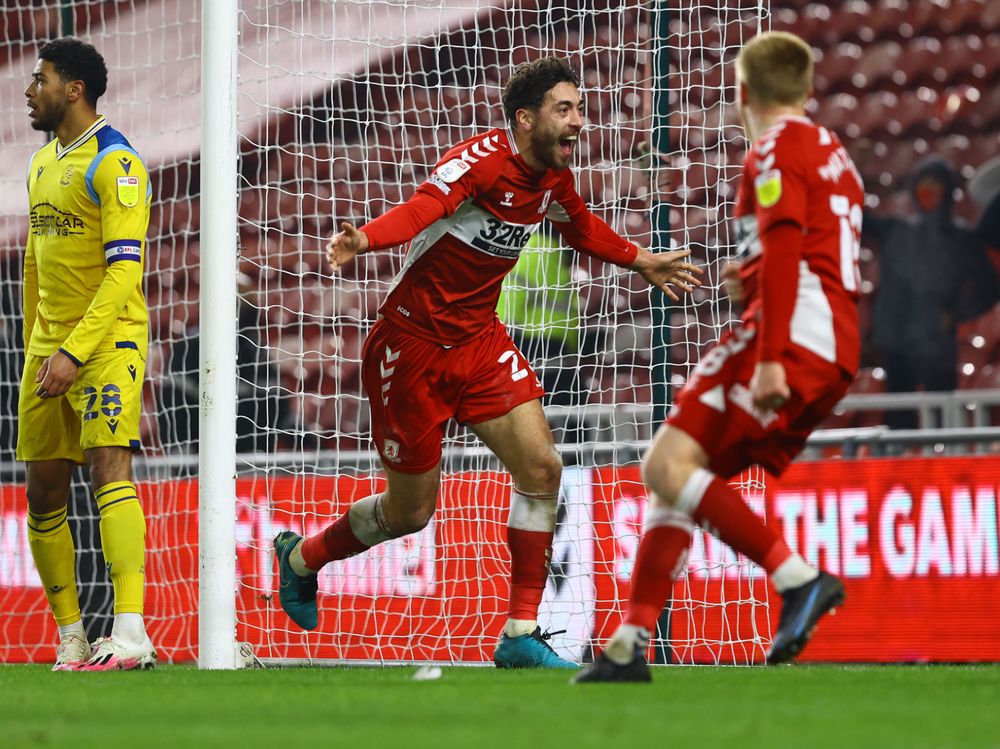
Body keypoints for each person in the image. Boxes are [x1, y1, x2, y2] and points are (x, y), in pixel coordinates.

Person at [272, 57, 702, 668]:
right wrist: (367, 237)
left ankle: (520, 633)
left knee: (542, 468)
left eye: (579, 109)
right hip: (411, 349)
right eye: (565, 110)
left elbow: (580, 227)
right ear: (525, 120)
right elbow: (422, 208)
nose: (579, 122)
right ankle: (300, 558)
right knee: (410, 514)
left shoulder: (553, 176)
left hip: (478, 341)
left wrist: (642, 261)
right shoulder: (479, 164)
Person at [574, 31, 863, 682]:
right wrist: (750, 278)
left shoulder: (774, 149)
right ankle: (630, 641)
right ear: (808, 90)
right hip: (829, 339)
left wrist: (768, 357)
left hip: (789, 340)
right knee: (680, 471)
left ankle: (798, 578)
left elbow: (790, 249)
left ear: (740, 92)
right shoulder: (832, 152)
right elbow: (808, 248)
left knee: (664, 462)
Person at [19, 38, 156, 671]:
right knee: (44, 493)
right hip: (48, 351)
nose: (29, 90)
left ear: (72, 89)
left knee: (109, 467)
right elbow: (32, 262)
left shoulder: (116, 161)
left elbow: (124, 275)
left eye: (40, 79)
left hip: (106, 343)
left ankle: (130, 633)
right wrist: (36, 346)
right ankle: (72, 634)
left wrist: (74, 350)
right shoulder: (43, 162)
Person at [865, 157, 998, 424]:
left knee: (940, 416)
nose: (928, 194)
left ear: (947, 193)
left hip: (938, 343)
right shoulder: (895, 231)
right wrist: (855, 166)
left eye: (935, 187)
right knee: (898, 417)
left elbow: (989, 286)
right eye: (923, 187)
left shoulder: (962, 239)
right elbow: (858, 218)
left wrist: (958, 314)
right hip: (897, 343)